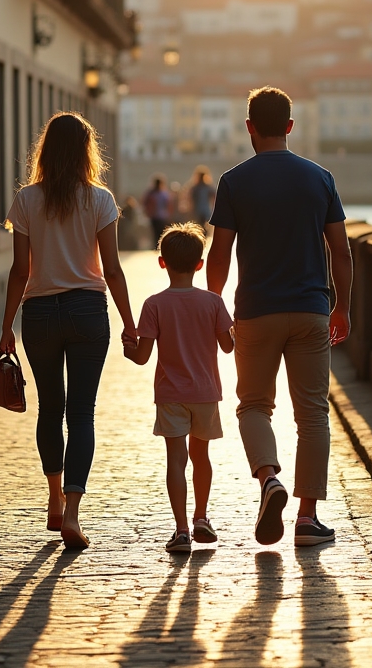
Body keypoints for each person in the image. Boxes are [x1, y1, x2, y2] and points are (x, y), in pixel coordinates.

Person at [206, 87, 353, 548]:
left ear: (249, 127)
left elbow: (220, 254)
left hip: (255, 312)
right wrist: (343, 306)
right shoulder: (320, 178)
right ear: (290, 126)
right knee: (312, 413)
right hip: (311, 310)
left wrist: (215, 305)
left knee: (253, 405)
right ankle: (307, 519)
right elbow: (341, 251)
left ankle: (269, 479)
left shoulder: (234, 181)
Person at [0, 112, 137, 551]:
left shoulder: (27, 200)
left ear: (46, 150)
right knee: (81, 413)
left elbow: (20, 270)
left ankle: (54, 499)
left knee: (49, 409)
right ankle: (73, 513)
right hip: (87, 311)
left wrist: (6, 326)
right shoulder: (100, 200)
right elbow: (112, 270)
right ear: (85, 151)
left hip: (39, 313)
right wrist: (130, 322)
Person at [123, 222, 234, 553]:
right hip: (205, 392)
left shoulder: (154, 304)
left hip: (170, 393)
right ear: (200, 264)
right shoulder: (213, 303)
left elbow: (142, 357)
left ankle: (182, 530)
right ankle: (201, 517)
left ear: (162, 262)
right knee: (202, 456)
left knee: (176, 460)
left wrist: (129, 348)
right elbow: (228, 347)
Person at [141, 175, 174, 247]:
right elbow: (145, 203)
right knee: (156, 232)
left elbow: (168, 204)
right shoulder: (153, 194)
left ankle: (160, 245)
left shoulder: (163, 193)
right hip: (156, 216)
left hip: (162, 216)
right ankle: (157, 245)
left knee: (161, 231)